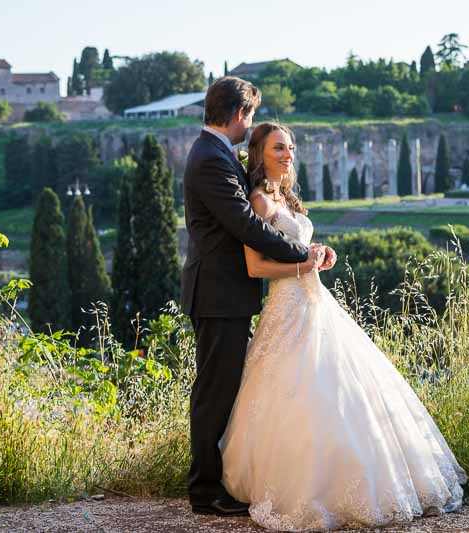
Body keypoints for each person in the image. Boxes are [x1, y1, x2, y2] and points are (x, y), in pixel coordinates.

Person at [220, 123, 468, 530]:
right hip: (287, 304)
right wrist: (303, 263)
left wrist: (318, 253)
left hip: (313, 298)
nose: (288, 154)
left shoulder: (285, 197)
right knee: (298, 390)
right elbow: (255, 267)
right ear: (258, 153)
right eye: (278, 147)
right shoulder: (260, 201)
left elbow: (295, 247)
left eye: (291, 147)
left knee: (340, 387)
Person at [180, 76, 337, 517]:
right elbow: (246, 225)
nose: (249, 129)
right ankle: (205, 491)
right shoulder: (210, 158)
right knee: (214, 391)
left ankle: (217, 483)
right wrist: (303, 254)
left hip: (226, 294)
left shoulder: (215, 154)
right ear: (239, 114)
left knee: (225, 389)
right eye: (248, 118)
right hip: (217, 293)